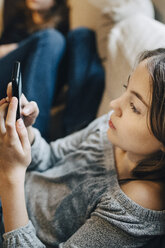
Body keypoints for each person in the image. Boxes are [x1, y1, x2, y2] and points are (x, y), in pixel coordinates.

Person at [0, 47, 165, 247]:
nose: (114, 104)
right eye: (125, 88)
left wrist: (10, 175)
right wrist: (25, 131)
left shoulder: (135, 203)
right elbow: (51, 157)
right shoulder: (109, 126)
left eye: (134, 107)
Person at [0, 0, 105, 140]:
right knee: (52, 38)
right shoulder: (19, 18)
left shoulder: (63, 22)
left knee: (82, 34)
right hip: (9, 73)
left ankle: (75, 133)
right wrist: (31, 45)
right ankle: (33, 136)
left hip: (47, 80)